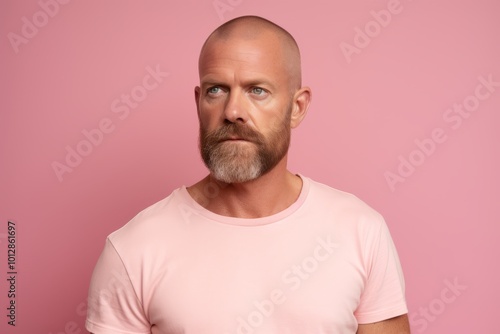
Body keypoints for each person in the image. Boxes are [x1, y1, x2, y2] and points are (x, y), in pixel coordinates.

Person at [85, 15, 410, 334]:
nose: (233, 111)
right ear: (199, 103)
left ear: (297, 107)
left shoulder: (360, 231)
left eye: (257, 90)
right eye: (216, 90)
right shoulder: (133, 249)